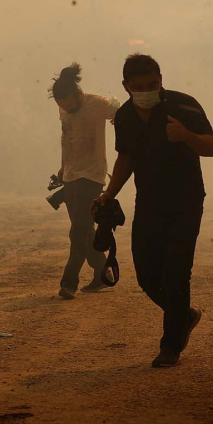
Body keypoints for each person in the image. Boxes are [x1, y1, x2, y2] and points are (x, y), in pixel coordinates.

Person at [93, 54, 213, 368]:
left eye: (152, 84)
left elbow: (210, 147)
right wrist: (108, 195)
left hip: (186, 201)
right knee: (147, 277)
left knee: (176, 275)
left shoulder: (184, 106)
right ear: (126, 86)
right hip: (148, 202)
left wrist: (186, 136)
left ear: (160, 79)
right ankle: (184, 316)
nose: (147, 90)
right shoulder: (124, 117)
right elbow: (126, 159)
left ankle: (170, 348)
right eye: (139, 87)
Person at [50, 62, 121, 300]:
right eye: (62, 105)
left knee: (77, 232)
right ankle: (103, 275)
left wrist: (117, 119)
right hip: (70, 175)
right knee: (83, 229)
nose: (67, 109)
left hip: (92, 176)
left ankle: (68, 282)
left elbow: (120, 110)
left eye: (70, 104)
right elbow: (66, 138)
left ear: (78, 94)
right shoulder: (64, 109)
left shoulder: (96, 104)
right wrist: (62, 167)